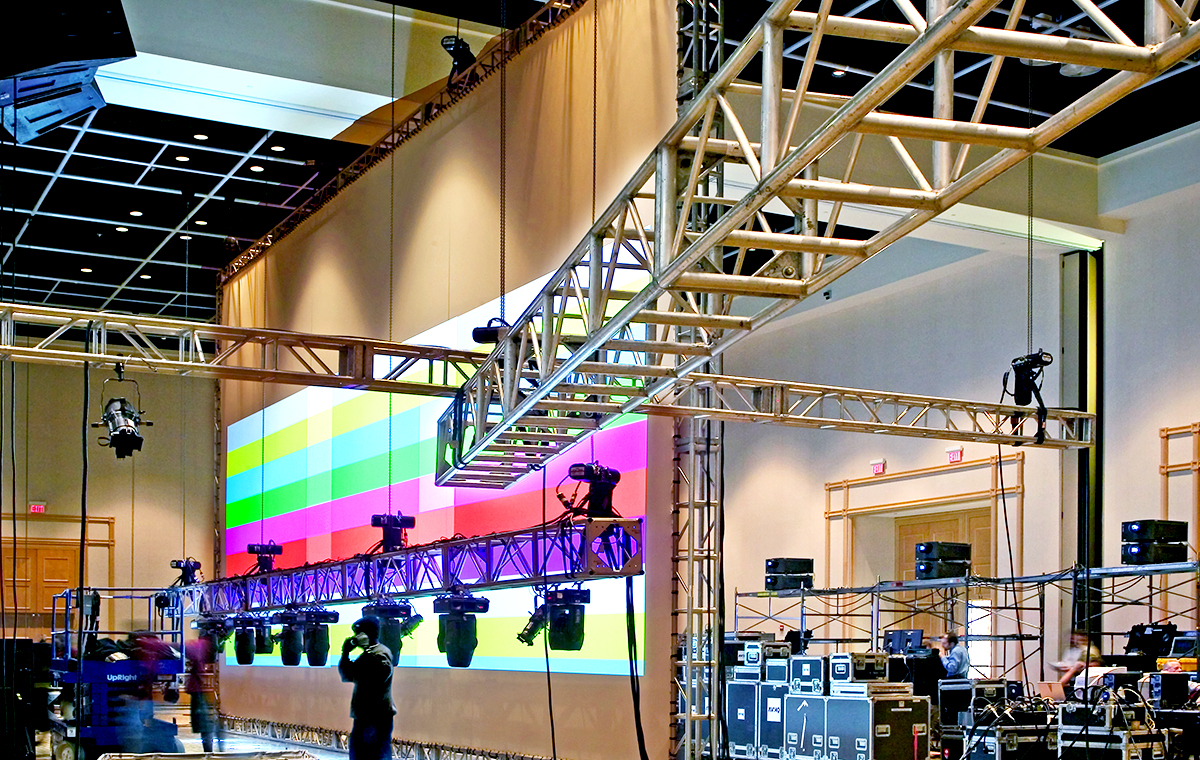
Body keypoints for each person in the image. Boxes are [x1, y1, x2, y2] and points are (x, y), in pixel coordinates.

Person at [339, 617, 395, 760]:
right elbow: (347, 675)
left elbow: (381, 675)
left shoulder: (381, 652)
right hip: (364, 716)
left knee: (375, 755)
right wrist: (345, 654)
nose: (355, 637)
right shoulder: (366, 655)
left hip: (377, 717)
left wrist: (368, 654)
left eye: (358, 633)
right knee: (357, 755)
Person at [184, 635, 220, 752]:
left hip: (198, 692)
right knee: (206, 724)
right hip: (199, 692)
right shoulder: (201, 649)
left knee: (205, 724)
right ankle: (210, 750)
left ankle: (209, 750)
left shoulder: (198, 648)